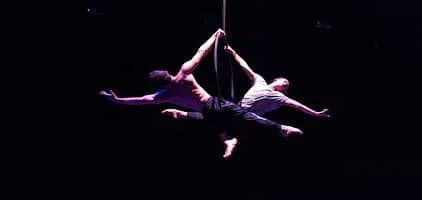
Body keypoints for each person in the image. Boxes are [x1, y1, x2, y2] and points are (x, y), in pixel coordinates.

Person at [99, 29, 303, 159]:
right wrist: (215, 36)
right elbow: (201, 52)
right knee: (246, 116)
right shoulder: (184, 74)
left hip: (208, 114)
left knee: (221, 125)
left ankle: (227, 141)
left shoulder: (164, 95)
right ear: (167, 73)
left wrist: (118, 100)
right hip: (214, 104)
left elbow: (141, 100)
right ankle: (281, 128)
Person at [161, 44, 329, 158]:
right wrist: (233, 53)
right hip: (237, 109)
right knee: (216, 118)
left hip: (247, 119)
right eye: (285, 81)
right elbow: (244, 66)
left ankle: (276, 130)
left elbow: (298, 106)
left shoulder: (281, 98)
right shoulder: (260, 81)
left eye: (287, 85)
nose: (286, 84)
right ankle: (224, 137)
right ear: (276, 80)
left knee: (227, 123)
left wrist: (315, 113)